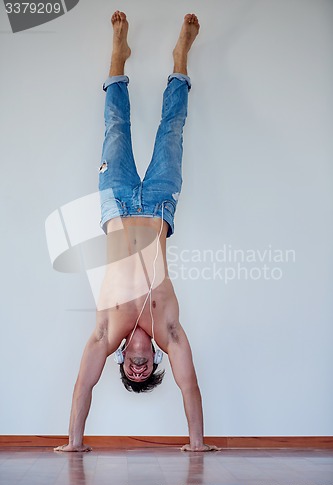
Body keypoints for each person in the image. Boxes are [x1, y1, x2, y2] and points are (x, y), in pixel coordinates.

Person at [54, 11, 219, 453]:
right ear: (155, 358)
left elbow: (82, 387)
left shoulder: (106, 333)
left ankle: (117, 55)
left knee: (114, 127)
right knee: (172, 132)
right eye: (147, 373)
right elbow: (189, 388)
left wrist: (74, 444)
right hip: (161, 205)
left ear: (124, 359)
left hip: (117, 202)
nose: (140, 369)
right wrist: (197, 444)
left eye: (133, 372)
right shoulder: (168, 329)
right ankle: (181, 58)